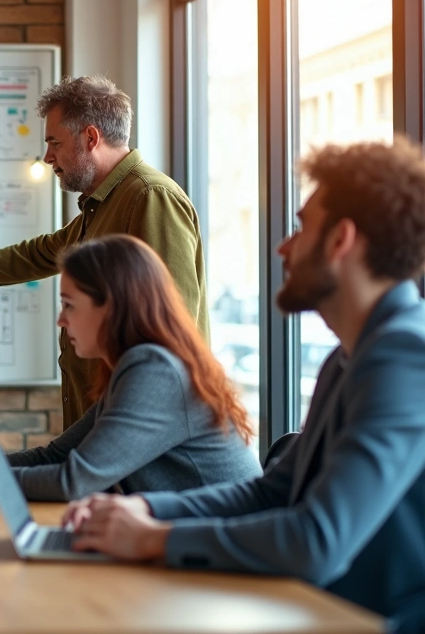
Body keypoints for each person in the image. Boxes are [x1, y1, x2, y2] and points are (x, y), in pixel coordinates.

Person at [61, 139, 425, 631]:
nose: (284, 247)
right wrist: (143, 509)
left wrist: (154, 538)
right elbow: (272, 491)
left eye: (300, 229)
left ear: (340, 240)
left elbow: (316, 541)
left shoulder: (403, 357)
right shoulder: (350, 357)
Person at [0, 75, 208, 431]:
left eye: (54, 142)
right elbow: (42, 253)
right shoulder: (103, 204)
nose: (47, 156)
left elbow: (175, 325)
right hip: (105, 419)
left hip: (141, 425)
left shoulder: (149, 197)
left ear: (91, 138)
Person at [0, 235, 259, 501]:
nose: (60, 320)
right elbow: (53, 456)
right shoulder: (137, 366)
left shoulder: (155, 371)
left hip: (217, 560)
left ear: (110, 307)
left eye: (69, 305)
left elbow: (74, 481)